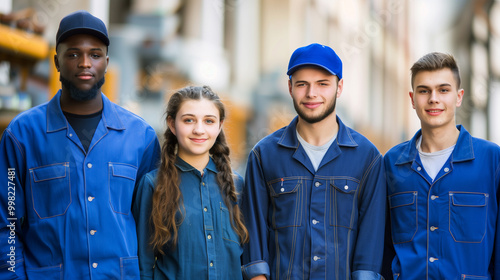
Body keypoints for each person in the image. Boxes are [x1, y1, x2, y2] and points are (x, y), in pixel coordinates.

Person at [0, 10, 160, 279]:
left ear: (107, 62)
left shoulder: (140, 137)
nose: (85, 63)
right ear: (57, 61)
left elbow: (153, 225)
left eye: (95, 55)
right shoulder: (22, 135)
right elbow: (7, 220)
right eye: (73, 54)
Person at [241, 43, 386, 280]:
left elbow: (370, 247)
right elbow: (254, 243)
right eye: (302, 84)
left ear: (339, 88)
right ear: (289, 88)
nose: (311, 94)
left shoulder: (367, 158)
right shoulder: (264, 155)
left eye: (322, 84)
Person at [384, 52, 500, 279]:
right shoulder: (391, 163)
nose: (433, 98)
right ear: (412, 98)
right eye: (424, 90)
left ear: (458, 97)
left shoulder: (492, 160)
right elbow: (383, 247)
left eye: (443, 90)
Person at [132, 85, 249, 279]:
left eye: (209, 121)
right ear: (172, 124)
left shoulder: (237, 186)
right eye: (188, 120)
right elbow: (143, 263)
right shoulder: (153, 185)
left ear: (219, 126)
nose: (199, 130)